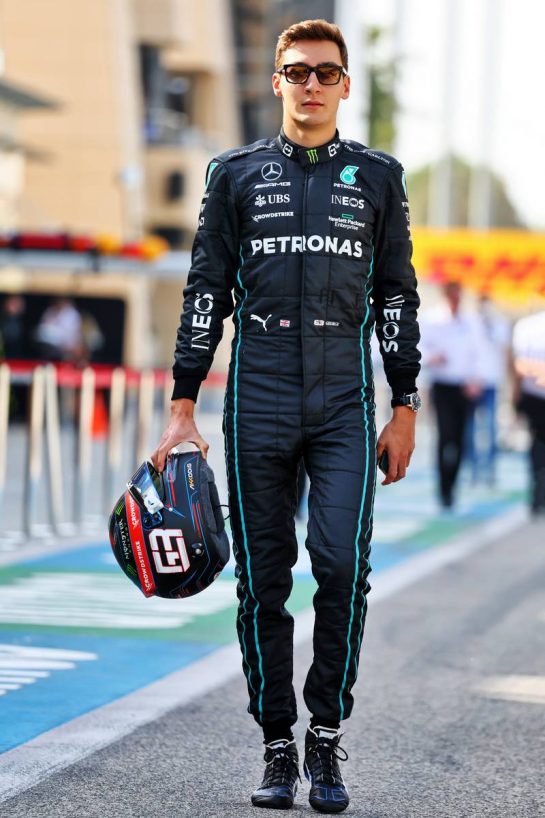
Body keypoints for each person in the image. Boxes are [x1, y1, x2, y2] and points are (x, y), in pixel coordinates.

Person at [152, 19, 421, 813]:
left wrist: (403, 405)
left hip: (343, 393)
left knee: (340, 566)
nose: (310, 84)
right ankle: (276, 743)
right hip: (259, 390)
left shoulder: (377, 176)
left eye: (325, 73)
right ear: (276, 83)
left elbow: (396, 296)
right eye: (296, 71)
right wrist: (181, 406)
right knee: (261, 581)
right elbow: (205, 290)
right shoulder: (233, 173)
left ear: (343, 85)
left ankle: (325, 736)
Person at [420, 281, 484, 509]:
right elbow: (420, 348)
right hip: (442, 384)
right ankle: (443, 488)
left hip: (464, 386)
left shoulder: (471, 321)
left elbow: (478, 353)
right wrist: (432, 357)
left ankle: (453, 485)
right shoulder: (432, 319)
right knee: (444, 436)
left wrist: (476, 379)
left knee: (459, 439)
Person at [465, 293, 510, 484]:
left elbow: (505, 351)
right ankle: (472, 469)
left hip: (490, 381)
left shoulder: (498, 323)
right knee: (471, 428)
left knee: (490, 427)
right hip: (472, 381)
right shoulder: (468, 322)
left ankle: (489, 468)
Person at [512, 310, 545, 515]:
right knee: (538, 446)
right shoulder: (528, 326)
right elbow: (518, 365)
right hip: (535, 396)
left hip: (532, 393)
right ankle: (537, 493)